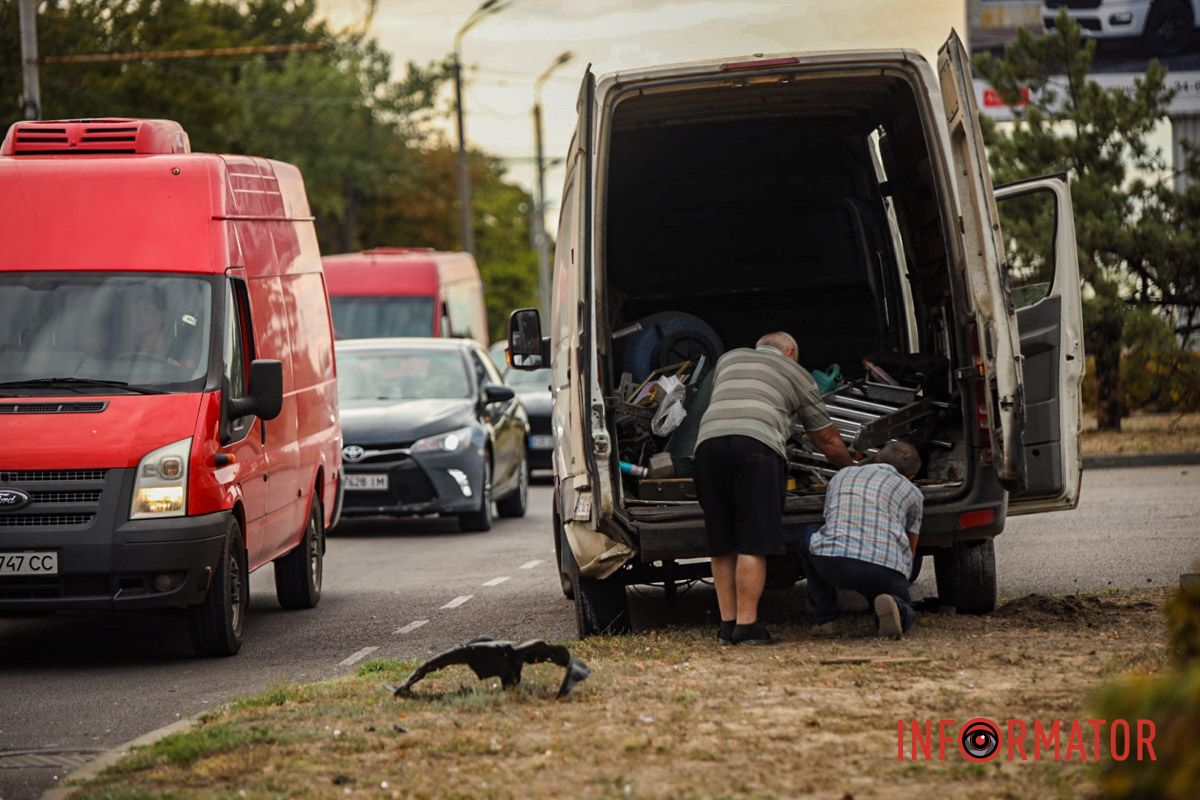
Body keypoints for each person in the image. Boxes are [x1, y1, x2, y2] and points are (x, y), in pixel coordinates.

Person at [693, 331, 853, 646]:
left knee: (722, 541)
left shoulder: (728, 359)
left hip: (708, 446)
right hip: (756, 446)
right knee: (753, 540)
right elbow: (828, 440)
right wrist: (851, 468)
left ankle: (727, 625)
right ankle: (747, 626)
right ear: (790, 351)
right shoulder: (797, 372)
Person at [800, 440, 923, 639]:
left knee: (810, 533)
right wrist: (901, 579)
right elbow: (912, 546)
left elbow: (829, 519)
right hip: (884, 567)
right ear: (911, 476)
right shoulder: (914, 493)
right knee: (904, 605)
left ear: (877, 457)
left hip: (833, 562)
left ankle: (824, 619)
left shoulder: (842, 475)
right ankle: (896, 606)